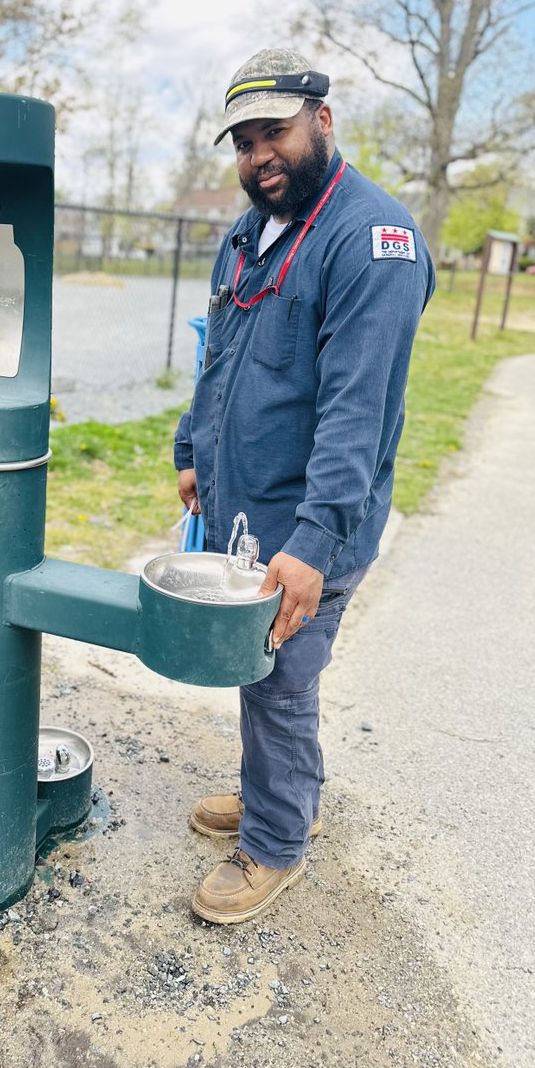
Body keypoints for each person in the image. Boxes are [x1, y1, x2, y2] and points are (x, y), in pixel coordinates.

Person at [175, 48, 435, 924]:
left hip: (311, 527)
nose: (259, 156)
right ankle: (275, 796)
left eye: (274, 133)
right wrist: (191, 452)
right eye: (244, 142)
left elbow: (358, 412)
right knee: (261, 673)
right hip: (246, 509)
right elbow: (219, 360)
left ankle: (277, 841)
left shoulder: (373, 242)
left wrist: (314, 542)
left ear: (322, 121)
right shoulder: (249, 231)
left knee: (282, 676)